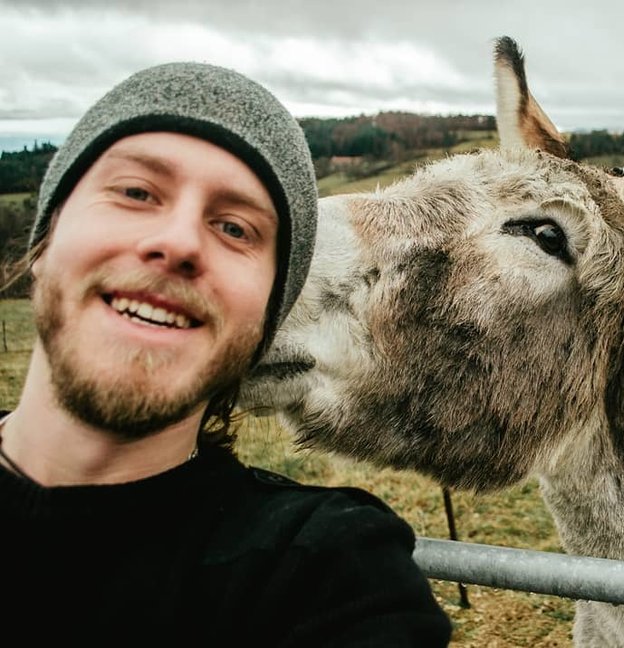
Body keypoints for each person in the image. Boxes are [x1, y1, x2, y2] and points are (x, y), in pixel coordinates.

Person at [0, 62, 452, 646]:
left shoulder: (325, 572)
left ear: (266, 318)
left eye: (236, 228)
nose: (180, 242)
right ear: (45, 239)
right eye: (137, 192)